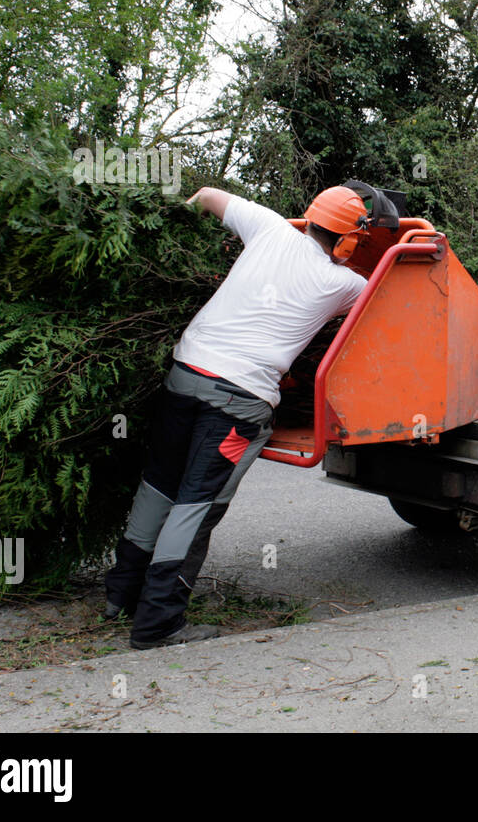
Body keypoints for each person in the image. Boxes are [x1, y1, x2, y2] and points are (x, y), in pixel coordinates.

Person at [103, 184, 372, 649]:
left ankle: (120, 597)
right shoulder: (346, 284)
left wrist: (173, 226)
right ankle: (158, 624)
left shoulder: (267, 227)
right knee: (197, 504)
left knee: (158, 486)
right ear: (348, 242)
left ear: (308, 218)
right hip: (237, 400)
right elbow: (383, 307)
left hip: (183, 376)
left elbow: (206, 194)